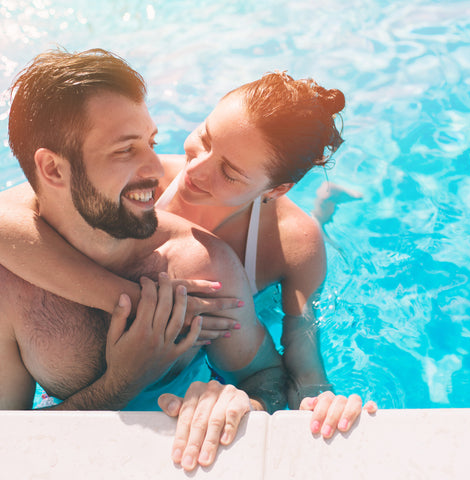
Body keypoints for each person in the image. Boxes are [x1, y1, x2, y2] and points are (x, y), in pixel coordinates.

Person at [0, 49, 376, 468]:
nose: (192, 172)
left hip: (250, 297)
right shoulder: (139, 182)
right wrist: (137, 305)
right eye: (205, 139)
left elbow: (297, 370)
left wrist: (307, 403)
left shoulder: (240, 255)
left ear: (274, 189)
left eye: (230, 172)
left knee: (314, 231)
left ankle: (326, 205)